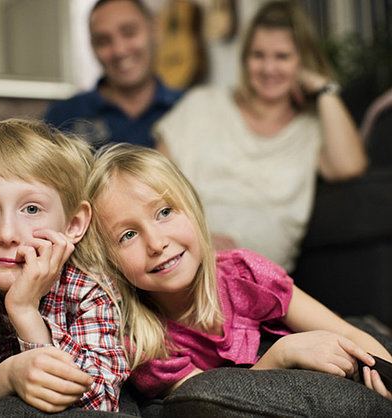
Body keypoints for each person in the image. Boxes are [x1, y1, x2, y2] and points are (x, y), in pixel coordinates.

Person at [85, 143, 392, 401]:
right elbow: (212, 403)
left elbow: (347, 333)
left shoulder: (245, 272)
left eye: (165, 213)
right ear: (108, 261)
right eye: (127, 235)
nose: (156, 243)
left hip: (335, 332)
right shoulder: (139, 341)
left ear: (193, 210)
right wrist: (280, 356)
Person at [0, 119, 129, 413]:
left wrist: (25, 310)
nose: (7, 235)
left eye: (31, 209)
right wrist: (8, 377)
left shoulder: (91, 285)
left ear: (73, 224)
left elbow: (99, 403)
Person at [153, 0, 368, 272]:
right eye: (258, 55)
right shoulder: (202, 105)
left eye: (282, 57)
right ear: (245, 59)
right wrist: (198, 238)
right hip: (188, 257)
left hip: (260, 276)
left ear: (303, 62)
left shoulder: (311, 130)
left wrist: (324, 89)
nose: (268, 68)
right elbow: (153, 185)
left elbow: (350, 166)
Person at [44, 0, 182, 149]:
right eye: (103, 41)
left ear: (155, 29)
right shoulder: (62, 118)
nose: (119, 50)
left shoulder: (187, 109)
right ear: (92, 47)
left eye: (129, 33)